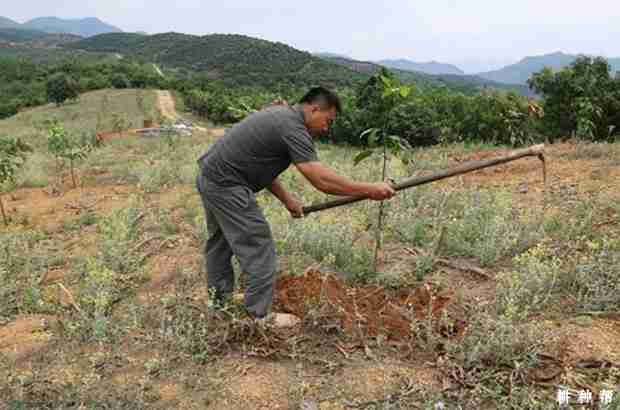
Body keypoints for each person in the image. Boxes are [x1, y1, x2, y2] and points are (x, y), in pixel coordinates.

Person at [195, 86, 395, 327]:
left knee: (220, 243)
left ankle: (220, 301)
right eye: (327, 120)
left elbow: (259, 165)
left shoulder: (282, 117)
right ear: (313, 109)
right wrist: (369, 189)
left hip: (211, 177)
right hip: (228, 185)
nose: (326, 127)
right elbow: (321, 179)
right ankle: (260, 316)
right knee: (258, 245)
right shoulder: (293, 127)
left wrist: (288, 200)